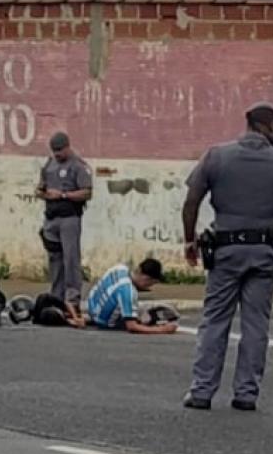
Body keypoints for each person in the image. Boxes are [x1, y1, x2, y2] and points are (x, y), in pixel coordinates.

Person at [181, 102, 273, 411]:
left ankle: (202, 391)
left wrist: (189, 240)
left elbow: (191, 201)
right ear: (272, 128)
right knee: (256, 324)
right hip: (265, 252)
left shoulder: (217, 155)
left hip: (226, 250)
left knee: (215, 320)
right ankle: (246, 394)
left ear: (247, 123)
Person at [37, 131, 92, 324]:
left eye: (60, 150)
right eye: (54, 151)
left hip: (69, 217)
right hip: (51, 216)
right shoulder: (49, 164)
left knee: (71, 260)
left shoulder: (78, 166)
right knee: (55, 260)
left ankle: (72, 299)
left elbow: (86, 193)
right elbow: (41, 187)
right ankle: (56, 297)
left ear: (68, 147)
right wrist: (43, 192)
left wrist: (62, 195)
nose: (57, 154)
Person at [85, 258, 178, 334]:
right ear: (147, 279)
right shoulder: (128, 291)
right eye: (150, 284)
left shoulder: (119, 268)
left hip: (92, 309)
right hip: (105, 321)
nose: (149, 287)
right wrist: (162, 330)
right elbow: (132, 326)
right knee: (149, 313)